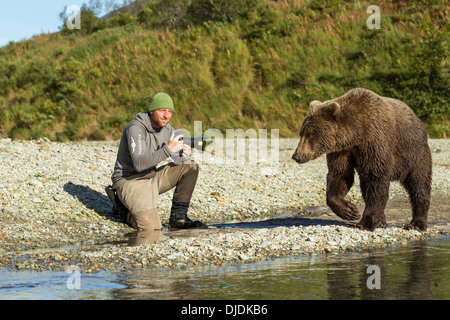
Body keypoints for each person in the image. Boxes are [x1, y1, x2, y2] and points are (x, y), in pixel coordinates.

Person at [110, 92, 207, 230]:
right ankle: (122, 209)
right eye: (162, 111)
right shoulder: (135, 128)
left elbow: (176, 158)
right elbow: (139, 164)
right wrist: (168, 149)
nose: (166, 115)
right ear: (151, 111)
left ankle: (178, 219)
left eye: (169, 111)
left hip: (152, 177)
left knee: (189, 167)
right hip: (130, 181)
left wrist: (184, 156)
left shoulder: (167, 128)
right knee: (152, 229)